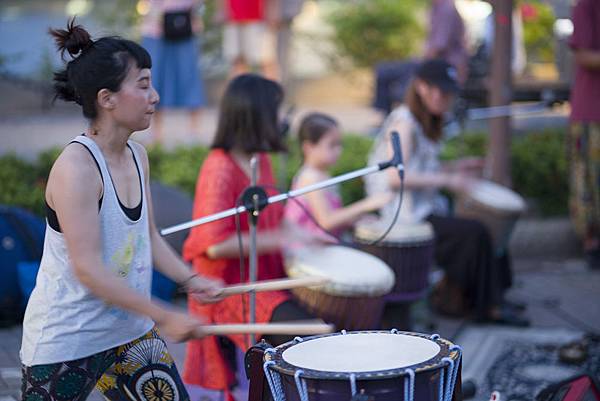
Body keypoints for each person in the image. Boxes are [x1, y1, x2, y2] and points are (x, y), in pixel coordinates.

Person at [20, 19, 222, 401]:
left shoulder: (137, 155)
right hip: (68, 340)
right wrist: (165, 313)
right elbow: (89, 269)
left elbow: (148, 237)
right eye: (143, 85)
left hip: (130, 332)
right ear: (106, 98)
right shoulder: (76, 168)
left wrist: (191, 279)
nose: (156, 96)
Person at [365, 59, 528, 326]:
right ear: (420, 87)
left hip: (424, 209)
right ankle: (488, 306)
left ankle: (495, 297)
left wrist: (456, 168)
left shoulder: (422, 120)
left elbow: (418, 166)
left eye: (448, 92)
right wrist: (449, 180)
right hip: (403, 217)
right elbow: (395, 177)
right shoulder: (403, 122)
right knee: (475, 232)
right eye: (439, 90)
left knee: (484, 227)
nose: (444, 98)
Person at [182, 74, 315, 401]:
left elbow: (274, 223)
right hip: (227, 290)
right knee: (309, 336)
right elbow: (212, 245)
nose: (284, 120)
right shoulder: (220, 168)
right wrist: (283, 238)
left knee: (324, 325)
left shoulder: (261, 160)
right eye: (278, 111)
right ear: (256, 116)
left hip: (266, 278)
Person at [284, 112, 392, 240]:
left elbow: (333, 216)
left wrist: (355, 219)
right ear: (308, 147)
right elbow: (326, 221)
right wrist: (366, 204)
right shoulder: (310, 177)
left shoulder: (322, 173)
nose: (338, 150)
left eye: (339, 144)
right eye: (332, 145)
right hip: (306, 251)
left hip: (323, 247)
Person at [140, 0, 207, 142]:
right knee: (155, 78)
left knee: (189, 76)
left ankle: (194, 131)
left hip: (184, 24)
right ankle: (156, 132)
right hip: (155, 28)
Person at [568, 0, 600, 269]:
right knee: (588, 180)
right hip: (592, 111)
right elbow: (583, 54)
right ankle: (591, 243)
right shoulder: (587, 5)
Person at [219, 0, 279, 80]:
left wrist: (273, 11)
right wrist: (221, 10)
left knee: (266, 60)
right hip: (233, 17)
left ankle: (270, 90)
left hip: (260, 18)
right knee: (237, 61)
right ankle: (240, 91)